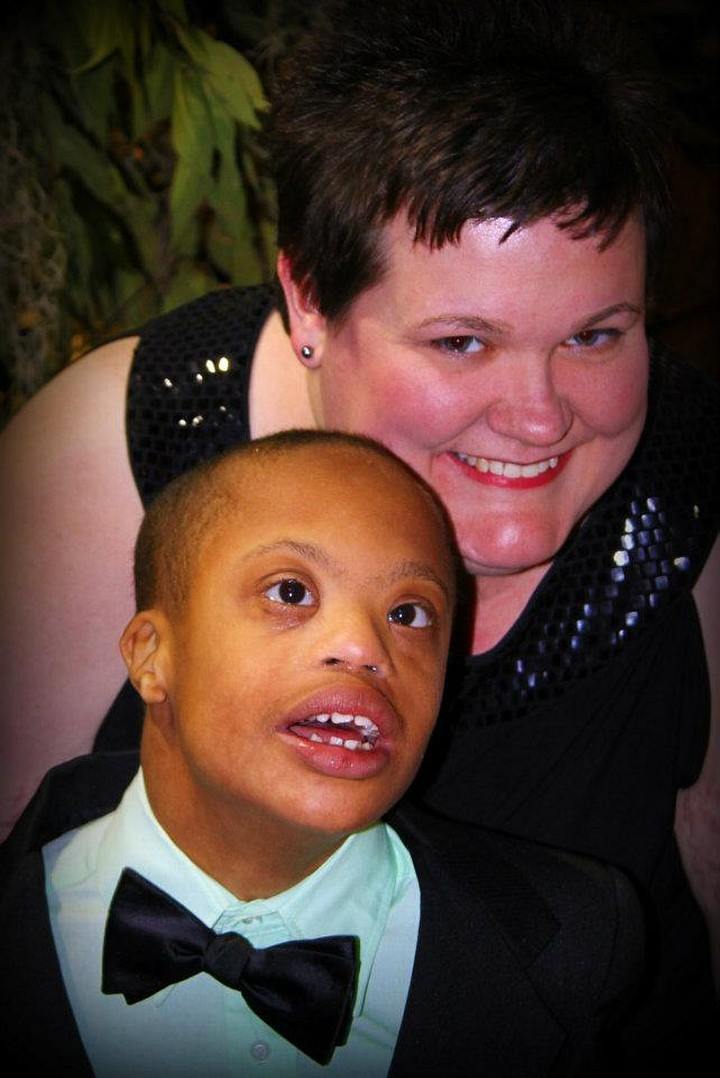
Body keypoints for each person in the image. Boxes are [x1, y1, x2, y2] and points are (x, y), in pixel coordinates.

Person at [0, 0, 717, 1068]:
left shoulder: (692, 481)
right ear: (309, 300)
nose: (541, 414)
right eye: (462, 340)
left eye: (596, 334)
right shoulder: (95, 462)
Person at [0, 430, 645, 1077]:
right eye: (290, 592)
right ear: (151, 655)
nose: (364, 645)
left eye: (411, 614)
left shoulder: (577, 946)